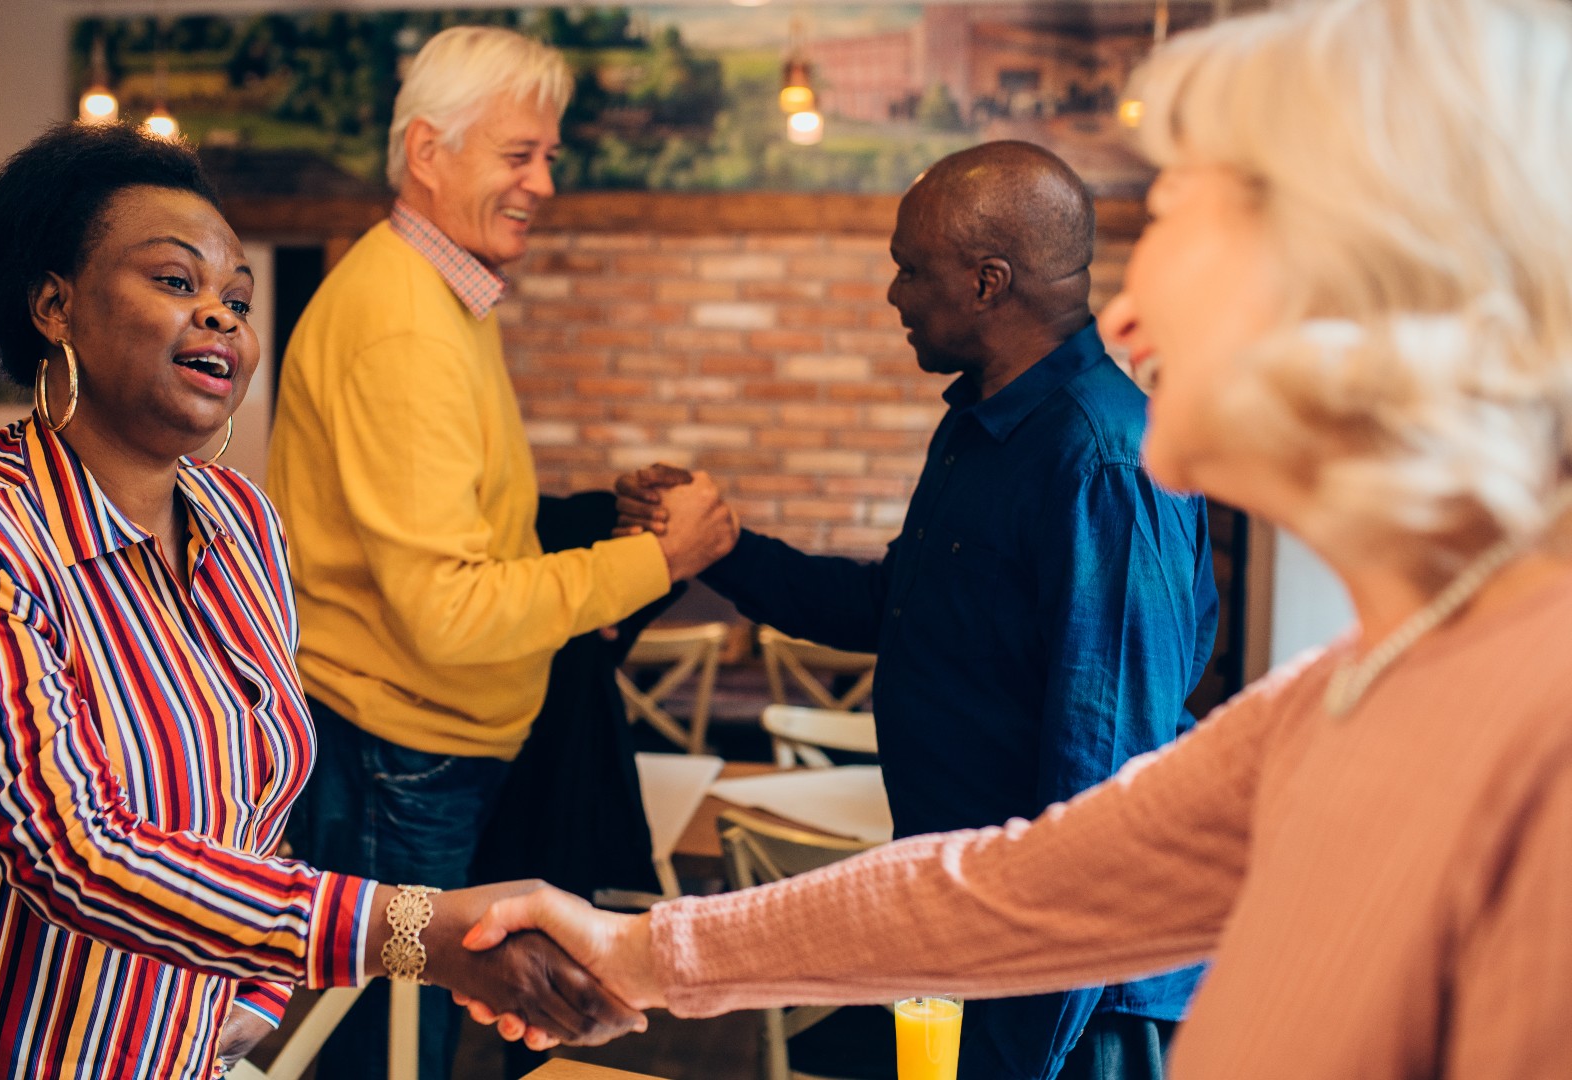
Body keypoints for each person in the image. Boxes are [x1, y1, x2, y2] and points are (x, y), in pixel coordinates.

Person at [461, 1, 1572, 1078]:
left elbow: (1074, 812)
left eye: (1181, 214)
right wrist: (638, 952)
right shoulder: (1346, 691)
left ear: (1376, 277)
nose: (1124, 318)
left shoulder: (1538, 752)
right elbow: (1017, 886)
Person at [0, 122, 643, 1079]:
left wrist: (251, 992)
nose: (222, 317)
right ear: (52, 304)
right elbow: (71, 853)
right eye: (175, 282)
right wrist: (422, 931)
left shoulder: (241, 521)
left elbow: (255, 801)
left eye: (237, 297)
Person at [619, 140, 1216, 1080]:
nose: (894, 295)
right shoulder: (980, 425)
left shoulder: (1102, 460)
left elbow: (1101, 794)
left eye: (908, 269)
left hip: (1073, 990)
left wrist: (1030, 1040)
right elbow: (894, 608)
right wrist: (724, 548)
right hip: (973, 941)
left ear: (987, 283)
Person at [263, 26, 735, 1080]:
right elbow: (449, 607)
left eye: (550, 156)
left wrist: (607, 522)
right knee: (385, 1057)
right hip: (397, 762)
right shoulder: (406, 325)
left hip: (422, 753)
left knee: (406, 1045)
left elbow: (467, 534)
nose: (545, 183)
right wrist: (657, 562)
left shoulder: (437, 297)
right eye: (520, 154)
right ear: (429, 153)